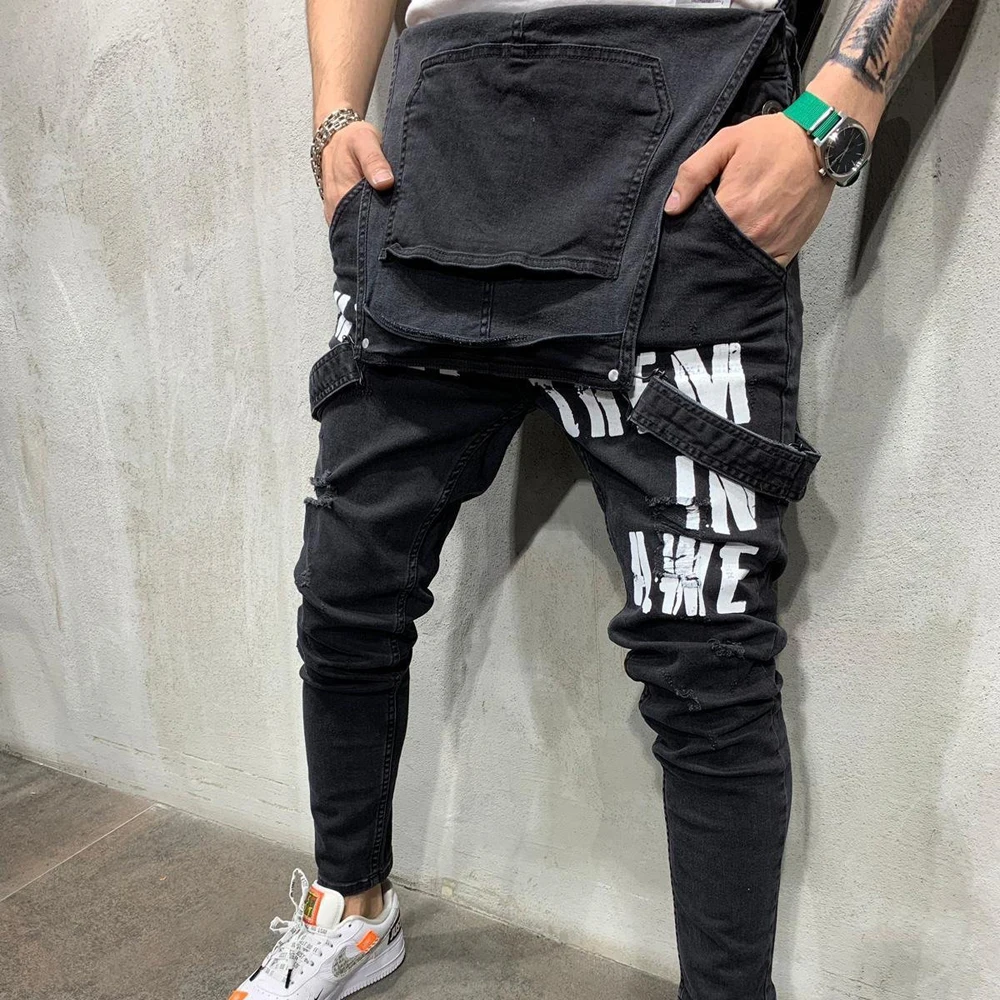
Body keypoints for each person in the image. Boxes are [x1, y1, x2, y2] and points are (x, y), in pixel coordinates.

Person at [228, 0, 954, 997]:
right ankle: (353, 912)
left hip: (691, 170)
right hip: (434, 170)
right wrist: (333, 116)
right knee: (346, 588)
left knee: (707, 659)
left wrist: (835, 113)